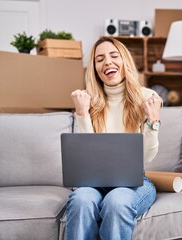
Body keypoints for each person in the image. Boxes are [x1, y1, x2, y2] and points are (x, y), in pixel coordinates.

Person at [66, 36, 163, 240]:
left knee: (116, 201)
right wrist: (82, 114)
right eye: (99, 59)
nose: (107, 62)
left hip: (135, 182)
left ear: (124, 61)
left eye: (113, 56)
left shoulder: (146, 97)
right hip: (94, 182)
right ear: (95, 69)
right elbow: (85, 157)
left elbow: (146, 157)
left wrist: (152, 122)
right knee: (81, 199)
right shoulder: (88, 101)